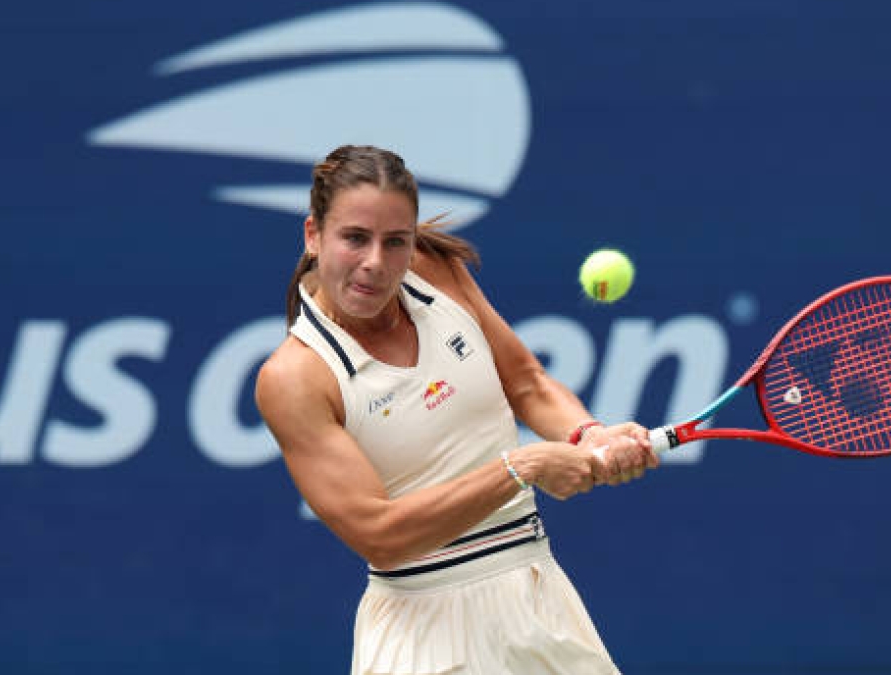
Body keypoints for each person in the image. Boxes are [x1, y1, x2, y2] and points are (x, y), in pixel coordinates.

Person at [255, 145, 660, 675]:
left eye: (395, 241)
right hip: (425, 636)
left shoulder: (432, 270)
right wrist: (524, 467)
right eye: (354, 238)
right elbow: (380, 534)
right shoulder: (293, 378)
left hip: (539, 599)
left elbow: (528, 383)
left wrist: (588, 436)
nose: (376, 263)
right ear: (313, 235)